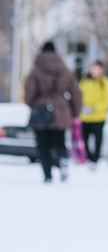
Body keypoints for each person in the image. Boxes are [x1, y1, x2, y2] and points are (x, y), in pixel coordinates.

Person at [24, 41, 83, 183]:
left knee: (42, 145)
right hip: (61, 111)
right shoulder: (65, 71)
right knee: (59, 141)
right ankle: (62, 160)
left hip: (41, 111)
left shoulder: (36, 71)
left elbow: (29, 94)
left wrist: (34, 104)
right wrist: (75, 112)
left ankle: (47, 174)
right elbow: (76, 93)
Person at [78, 60, 108, 168]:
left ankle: (95, 159)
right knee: (84, 138)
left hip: (99, 116)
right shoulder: (85, 81)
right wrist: (82, 107)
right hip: (85, 116)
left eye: (97, 68)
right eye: (93, 68)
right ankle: (89, 157)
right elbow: (79, 95)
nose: (94, 71)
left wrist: (95, 108)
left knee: (98, 139)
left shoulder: (105, 82)